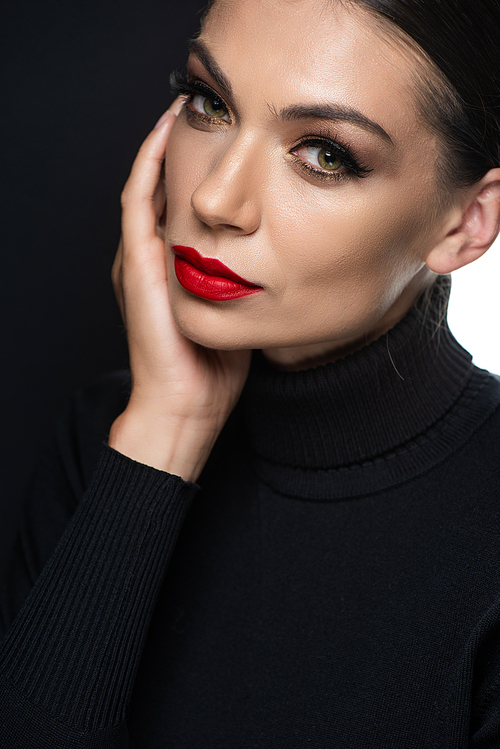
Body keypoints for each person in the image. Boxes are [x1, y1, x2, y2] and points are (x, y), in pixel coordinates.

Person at [1, 0, 500, 745]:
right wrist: (164, 434)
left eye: (325, 154)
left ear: (466, 223)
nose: (213, 199)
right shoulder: (109, 440)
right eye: (210, 102)